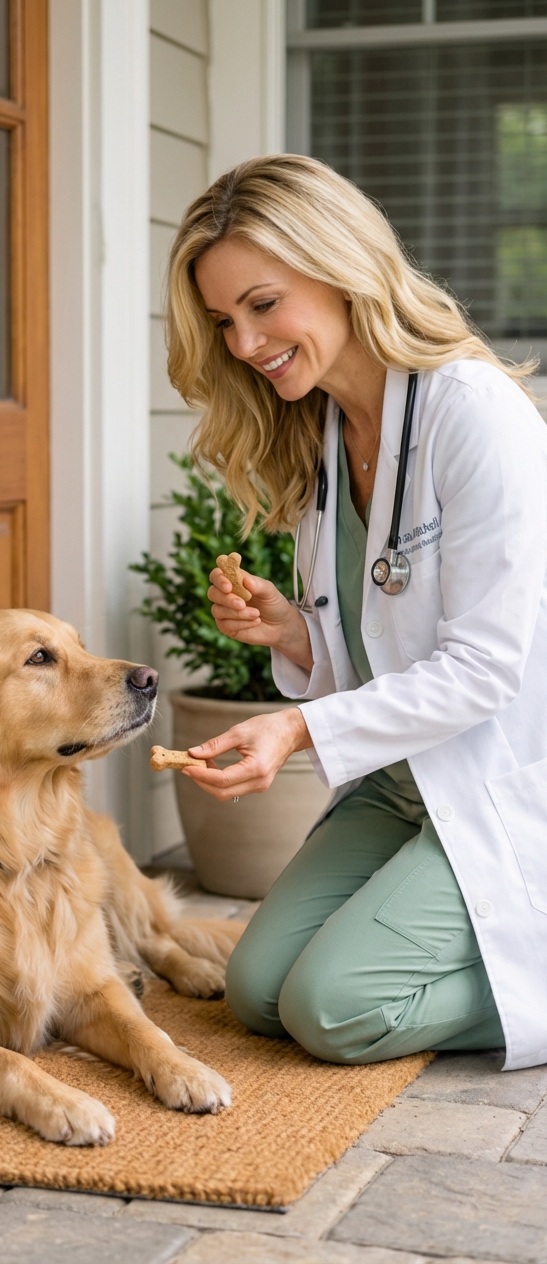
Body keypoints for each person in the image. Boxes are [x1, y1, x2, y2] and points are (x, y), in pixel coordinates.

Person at [164, 154, 547, 1072]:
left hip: (497, 778)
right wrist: (293, 632)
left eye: (263, 305)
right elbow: (376, 640)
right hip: (401, 782)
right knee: (258, 993)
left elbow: (489, 668)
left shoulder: (473, 413)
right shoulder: (325, 432)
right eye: (223, 321)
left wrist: (295, 729)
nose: (245, 344)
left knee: (336, 1009)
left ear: (341, 269)